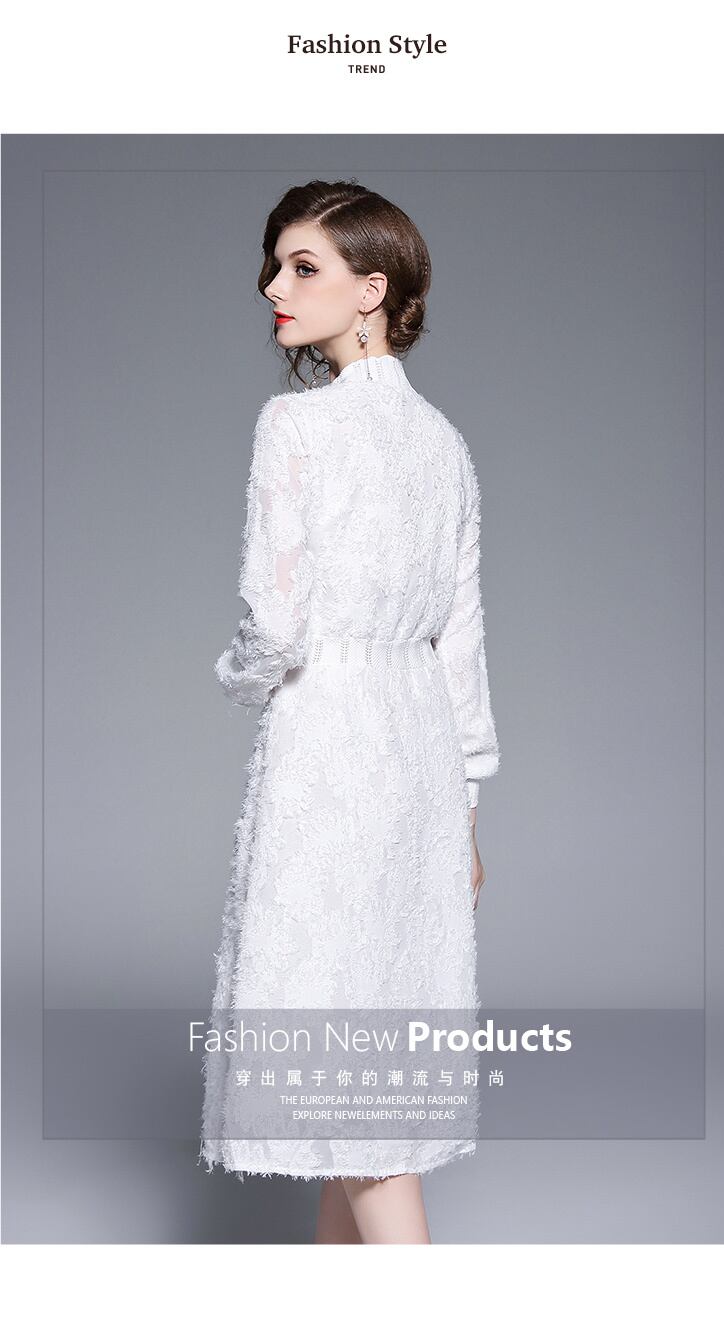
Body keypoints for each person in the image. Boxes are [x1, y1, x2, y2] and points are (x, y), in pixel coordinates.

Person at [199, 179, 500, 1244]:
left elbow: (274, 626)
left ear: (372, 290)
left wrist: (235, 677)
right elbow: (461, 642)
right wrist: (467, 809)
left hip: (330, 742)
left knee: (353, 1095)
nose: (272, 287)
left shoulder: (295, 425)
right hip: (419, 757)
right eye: (273, 266)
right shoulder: (445, 445)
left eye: (303, 267)